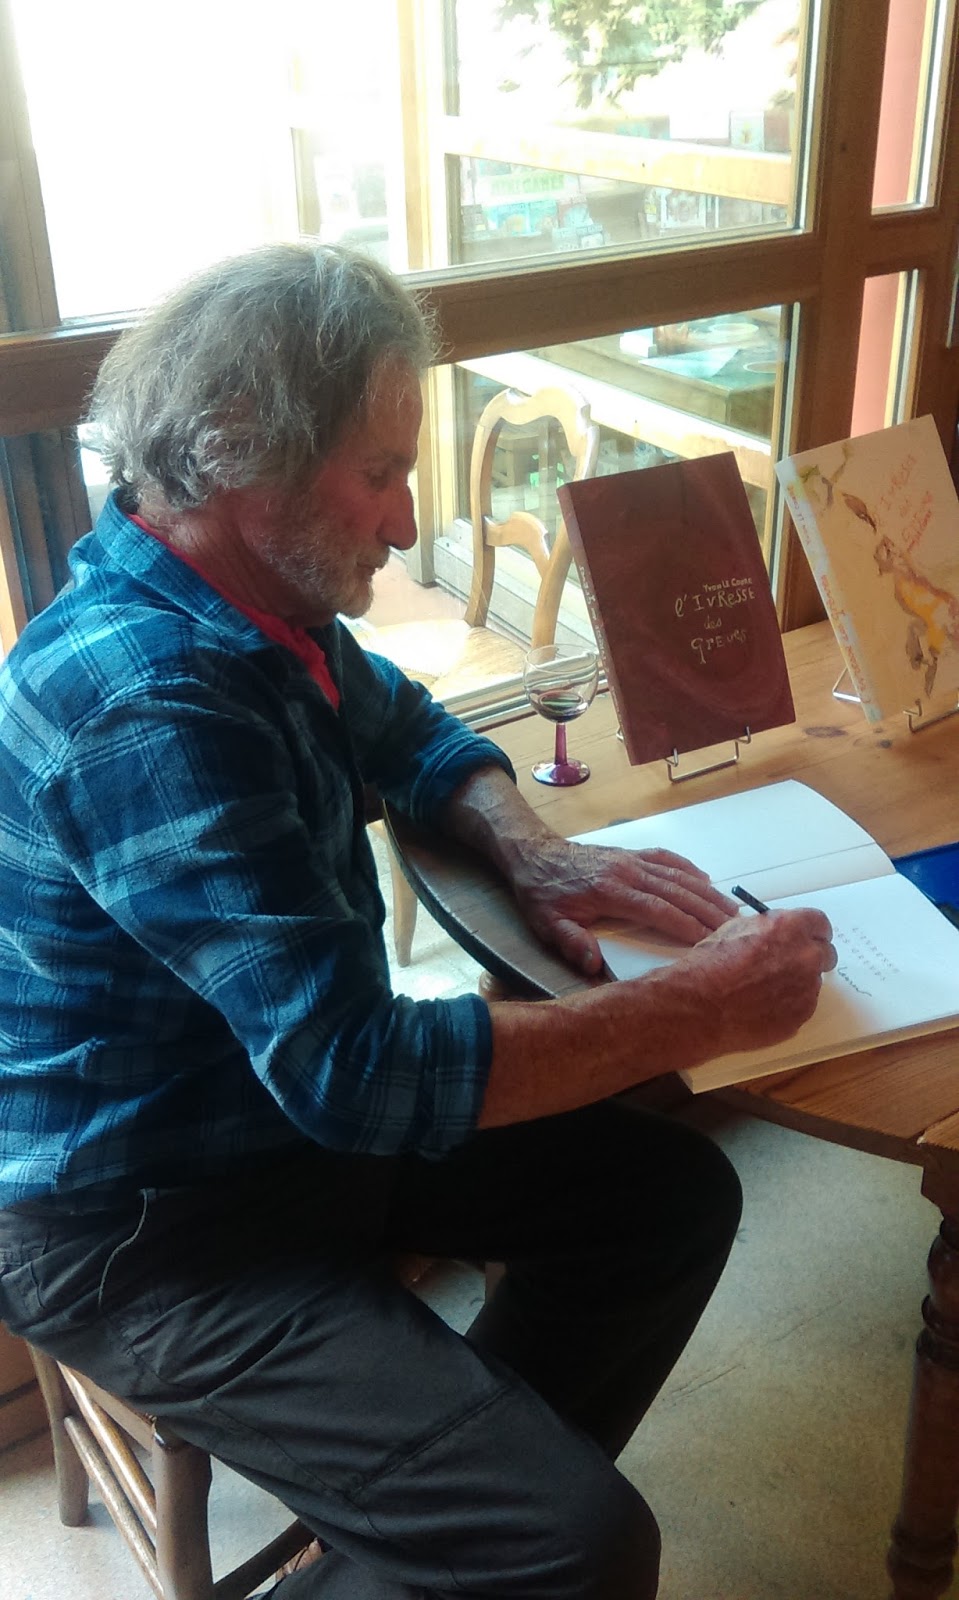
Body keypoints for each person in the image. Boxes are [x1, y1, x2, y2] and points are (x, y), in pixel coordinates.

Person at [0, 243, 835, 1600]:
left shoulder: (246, 600)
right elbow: (357, 1072)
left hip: (264, 1124)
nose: (404, 522)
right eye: (379, 474)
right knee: (579, 1546)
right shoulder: (150, 703)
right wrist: (704, 1007)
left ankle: (429, 1532)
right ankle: (469, 1538)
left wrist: (537, 854)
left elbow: (414, 730)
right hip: (140, 1222)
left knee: (670, 1200)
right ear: (239, 453)